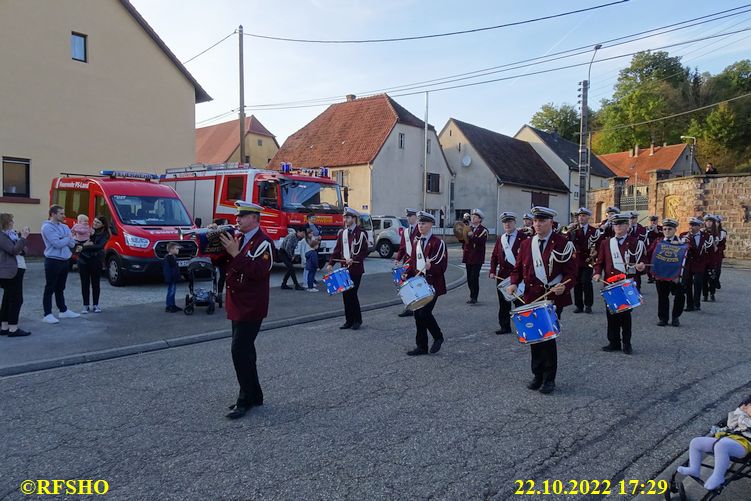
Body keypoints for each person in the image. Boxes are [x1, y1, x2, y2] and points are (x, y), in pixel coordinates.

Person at [508, 206, 576, 395]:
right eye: (536, 221)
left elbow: (572, 272)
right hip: (530, 297)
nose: (537, 224)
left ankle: (549, 378)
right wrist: (514, 283)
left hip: (551, 296)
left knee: (547, 338)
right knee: (534, 337)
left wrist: (564, 285)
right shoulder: (526, 244)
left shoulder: (563, 243)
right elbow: (517, 269)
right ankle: (537, 375)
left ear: (551, 223)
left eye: (542, 221)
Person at [219, 201, 275, 420]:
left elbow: (259, 271)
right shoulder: (239, 239)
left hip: (252, 305)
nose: (237, 219)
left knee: (239, 351)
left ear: (254, 218)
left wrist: (236, 254)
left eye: (242, 216)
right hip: (237, 302)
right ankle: (255, 394)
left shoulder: (264, 243)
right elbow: (229, 265)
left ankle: (245, 400)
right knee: (247, 351)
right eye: (237, 216)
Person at [593, 213, 647, 355]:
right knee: (611, 314)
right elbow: (599, 262)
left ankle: (626, 343)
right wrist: (597, 273)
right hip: (610, 284)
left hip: (626, 285)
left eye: (621, 224)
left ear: (627, 226)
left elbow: (642, 261)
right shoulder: (606, 243)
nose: (618, 227)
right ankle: (613, 342)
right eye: (615, 224)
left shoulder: (635, 242)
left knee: (625, 315)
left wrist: (641, 266)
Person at [676, 395, 751, 491]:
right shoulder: (742, 413)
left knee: (722, 445)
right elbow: (731, 421)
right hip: (728, 436)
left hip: (744, 445)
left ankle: (718, 477)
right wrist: (741, 412)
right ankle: (694, 469)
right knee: (696, 442)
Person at [405, 211, 448, 356]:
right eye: (419, 223)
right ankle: (421, 346)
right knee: (417, 314)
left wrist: (432, 267)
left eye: (423, 223)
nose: (420, 226)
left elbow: (442, 266)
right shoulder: (416, 241)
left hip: (433, 284)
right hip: (419, 284)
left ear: (431, 225)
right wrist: (407, 275)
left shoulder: (438, 243)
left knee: (424, 312)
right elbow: (412, 263)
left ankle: (438, 337)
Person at [327, 207, 368, 330]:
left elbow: (364, 251)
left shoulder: (361, 233)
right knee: (345, 295)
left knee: (352, 294)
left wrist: (354, 258)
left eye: (348, 217)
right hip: (344, 269)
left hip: (355, 269)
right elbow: (337, 250)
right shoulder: (343, 233)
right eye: (344, 217)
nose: (345, 219)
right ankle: (348, 321)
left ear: (354, 219)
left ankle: (357, 320)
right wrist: (330, 263)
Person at [489, 211, 527, 334]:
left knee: (519, 302)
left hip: (519, 275)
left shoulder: (523, 237)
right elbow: (494, 256)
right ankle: (505, 326)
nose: (507, 224)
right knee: (503, 303)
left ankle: (525, 327)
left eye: (509, 222)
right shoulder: (501, 238)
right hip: (502, 275)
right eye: (505, 222)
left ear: (515, 222)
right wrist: (492, 270)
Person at [41, 205, 80, 324]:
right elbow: (56, 243)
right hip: (53, 260)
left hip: (64, 260)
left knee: (60, 287)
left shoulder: (64, 226)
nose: (64, 216)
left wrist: (66, 238)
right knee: (50, 287)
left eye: (63, 213)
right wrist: (67, 238)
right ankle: (47, 314)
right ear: (53, 214)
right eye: (61, 213)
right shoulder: (47, 227)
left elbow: (72, 243)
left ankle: (63, 310)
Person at [647, 218, 686, 327]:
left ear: (675, 230)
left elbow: (685, 258)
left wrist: (680, 275)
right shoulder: (658, 242)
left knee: (680, 296)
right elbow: (649, 253)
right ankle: (663, 318)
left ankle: (675, 317)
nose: (667, 231)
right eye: (664, 229)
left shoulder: (682, 242)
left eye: (670, 229)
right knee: (662, 297)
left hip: (676, 276)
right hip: (661, 275)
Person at [0, 214, 30, 337]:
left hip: (17, 268)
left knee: (8, 298)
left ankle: (5, 327)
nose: (13, 222)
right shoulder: (2, 236)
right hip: (10, 271)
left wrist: (21, 243)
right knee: (16, 299)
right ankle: (13, 328)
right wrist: (23, 238)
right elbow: (13, 250)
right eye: (11, 220)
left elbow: (24, 250)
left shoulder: (11, 234)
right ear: (5, 222)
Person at [78, 216, 110, 313]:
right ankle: (85, 305)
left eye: (98, 223)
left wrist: (84, 247)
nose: (95, 224)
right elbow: (78, 241)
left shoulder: (105, 234)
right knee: (84, 283)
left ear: (103, 225)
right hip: (83, 260)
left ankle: (96, 305)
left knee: (95, 283)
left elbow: (99, 246)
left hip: (95, 260)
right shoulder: (87, 231)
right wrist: (84, 245)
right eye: (94, 221)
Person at [569, 207, 597, 314]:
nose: (581, 218)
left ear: (588, 217)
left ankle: (588, 305)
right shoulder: (574, 230)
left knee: (586, 282)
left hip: (588, 260)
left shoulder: (594, 230)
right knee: (577, 284)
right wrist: (569, 230)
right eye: (580, 216)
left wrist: (596, 252)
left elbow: (598, 244)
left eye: (584, 216)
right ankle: (579, 306)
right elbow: (566, 240)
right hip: (576, 260)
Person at [393, 208, 419, 318]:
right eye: (407, 216)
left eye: (410, 216)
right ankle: (408, 307)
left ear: (415, 217)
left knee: (416, 285)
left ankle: (418, 307)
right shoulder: (406, 231)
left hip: (418, 263)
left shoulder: (420, 229)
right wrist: (398, 259)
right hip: (408, 263)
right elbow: (402, 247)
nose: (408, 218)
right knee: (406, 286)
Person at [680, 218, 709, 312]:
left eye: (694, 225)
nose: (692, 227)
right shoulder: (684, 235)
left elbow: (710, 251)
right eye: (691, 225)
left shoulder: (706, 236)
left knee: (697, 283)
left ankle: (697, 304)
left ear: (699, 226)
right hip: (688, 264)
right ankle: (689, 305)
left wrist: (710, 266)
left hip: (700, 263)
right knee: (687, 284)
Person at [463, 209, 488, 304]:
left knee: (474, 277)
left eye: (476, 217)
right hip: (468, 256)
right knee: (469, 278)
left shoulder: (483, 230)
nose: (473, 218)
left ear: (480, 219)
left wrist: (472, 236)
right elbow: (464, 241)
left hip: (477, 257)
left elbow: (481, 242)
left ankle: (474, 297)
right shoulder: (469, 228)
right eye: (472, 216)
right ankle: (471, 295)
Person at [702, 214, 720, 303]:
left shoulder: (716, 233)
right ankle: (705, 295)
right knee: (703, 278)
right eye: (707, 221)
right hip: (703, 258)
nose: (708, 223)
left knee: (712, 277)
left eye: (710, 221)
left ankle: (712, 293)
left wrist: (713, 244)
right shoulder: (701, 232)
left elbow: (716, 247)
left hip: (712, 258)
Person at [163, 242, 182, 313]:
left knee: (173, 291)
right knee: (171, 291)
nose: (178, 250)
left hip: (174, 278)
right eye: (176, 249)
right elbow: (167, 269)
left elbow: (175, 268)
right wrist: (168, 278)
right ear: (171, 249)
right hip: (171, 278)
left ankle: (173, 305)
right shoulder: (167, 258)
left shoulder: (173, 257)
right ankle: (169, 306)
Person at [645, 215, 663, 284]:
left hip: (657, 247)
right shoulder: (647, 228)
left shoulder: (660, 228)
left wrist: (657, 231)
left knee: (656, 262)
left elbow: (663, 236)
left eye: (654, 221)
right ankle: (650, 277)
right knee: (648, 262)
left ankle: (656, 276)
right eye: (652, 221)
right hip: (649, 248)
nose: (653, 222)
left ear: (657, 221)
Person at [715, 215, 727, 290]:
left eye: (717, 222)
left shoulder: (723, 232)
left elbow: (723, 245)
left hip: (718, 253)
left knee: (718, 269)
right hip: (709, 253)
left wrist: (718, 248)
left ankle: (716, 280)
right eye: (714, 222)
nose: (716, 224)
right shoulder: (706, 231)